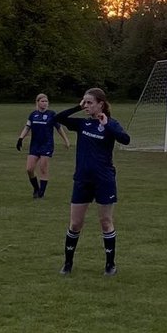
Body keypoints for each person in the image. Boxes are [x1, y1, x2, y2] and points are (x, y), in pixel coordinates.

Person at [54, 88, 131, 276]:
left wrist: (107, 125)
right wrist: (77, 107)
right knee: (75, 224)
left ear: (100, 104)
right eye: (84, 102)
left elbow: (126, 140)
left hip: (104, 180)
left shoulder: (111, 124)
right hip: (82, 180)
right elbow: (58, 118)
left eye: (89, 102)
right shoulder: (83, 124)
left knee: (106, 222)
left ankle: (110, 265)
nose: (86, 106)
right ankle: (68, 263)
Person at [16, 93, 70, 199]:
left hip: (47, 145)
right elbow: (27, 127)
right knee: (29, 169)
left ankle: (41, 193)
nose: (45, 103)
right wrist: (20, 138)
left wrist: (66, 140)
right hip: (35, 145)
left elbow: (59, 128)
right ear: (37, 102)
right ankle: (36, 188)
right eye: (42, 101)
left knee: (43, 169)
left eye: (46, 101)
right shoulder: (33, 114)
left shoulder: (52, 114)